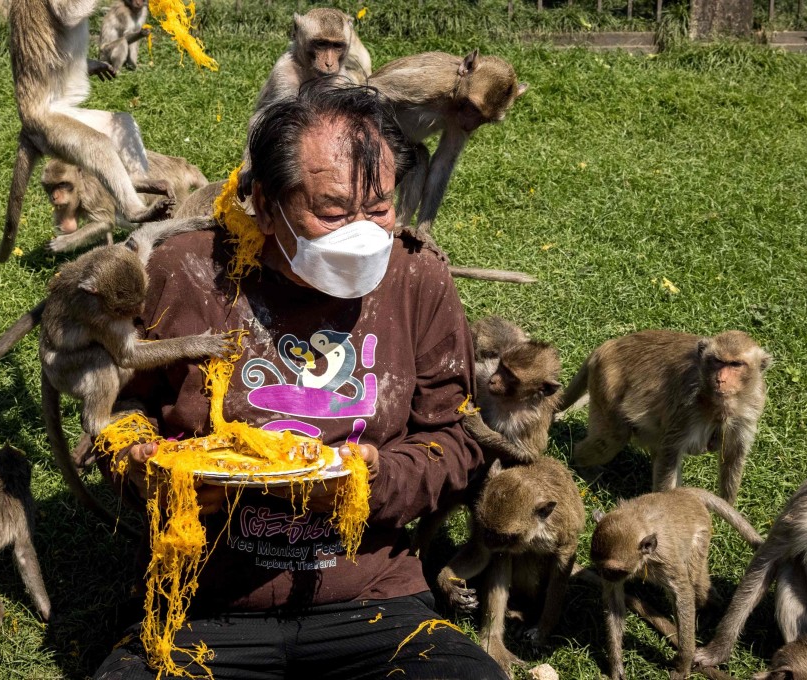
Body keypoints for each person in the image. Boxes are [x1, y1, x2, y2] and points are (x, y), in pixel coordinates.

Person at [94, 85, 507, 680]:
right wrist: (139, 464)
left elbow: (454, 438)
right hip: (203, 605)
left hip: (373, 603)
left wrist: (371, 480)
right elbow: (122, 409)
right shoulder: (185, 270)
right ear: (265, 203)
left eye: (381, 207)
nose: (363, 232)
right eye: (334, 212)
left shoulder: (418, 277)